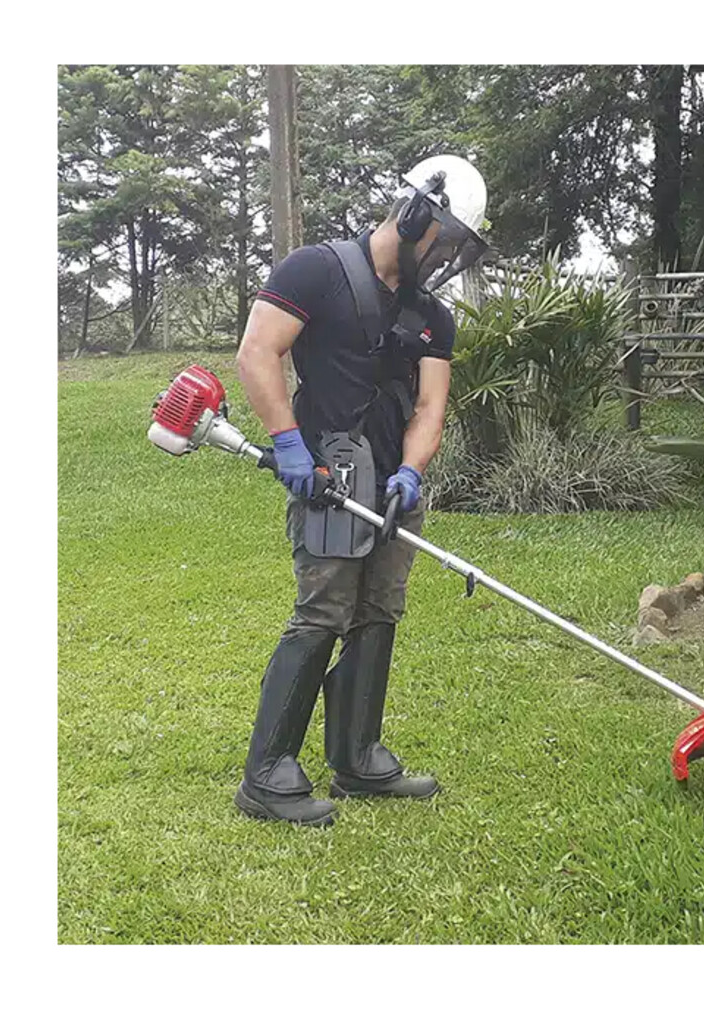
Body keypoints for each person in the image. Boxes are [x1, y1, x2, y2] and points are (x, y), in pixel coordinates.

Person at [233, 155, 489, 825]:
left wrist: (412, 471)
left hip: (393, 484)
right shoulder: (315, 271)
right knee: (323, 611)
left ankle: (358, 758)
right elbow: (258, 352)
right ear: (415, 214)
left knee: (379, 610)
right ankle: (267, 773)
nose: (446, 257)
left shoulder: (431, 314)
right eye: (445, 241)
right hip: (329, 476)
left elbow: (430, 406)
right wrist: (288, 442)